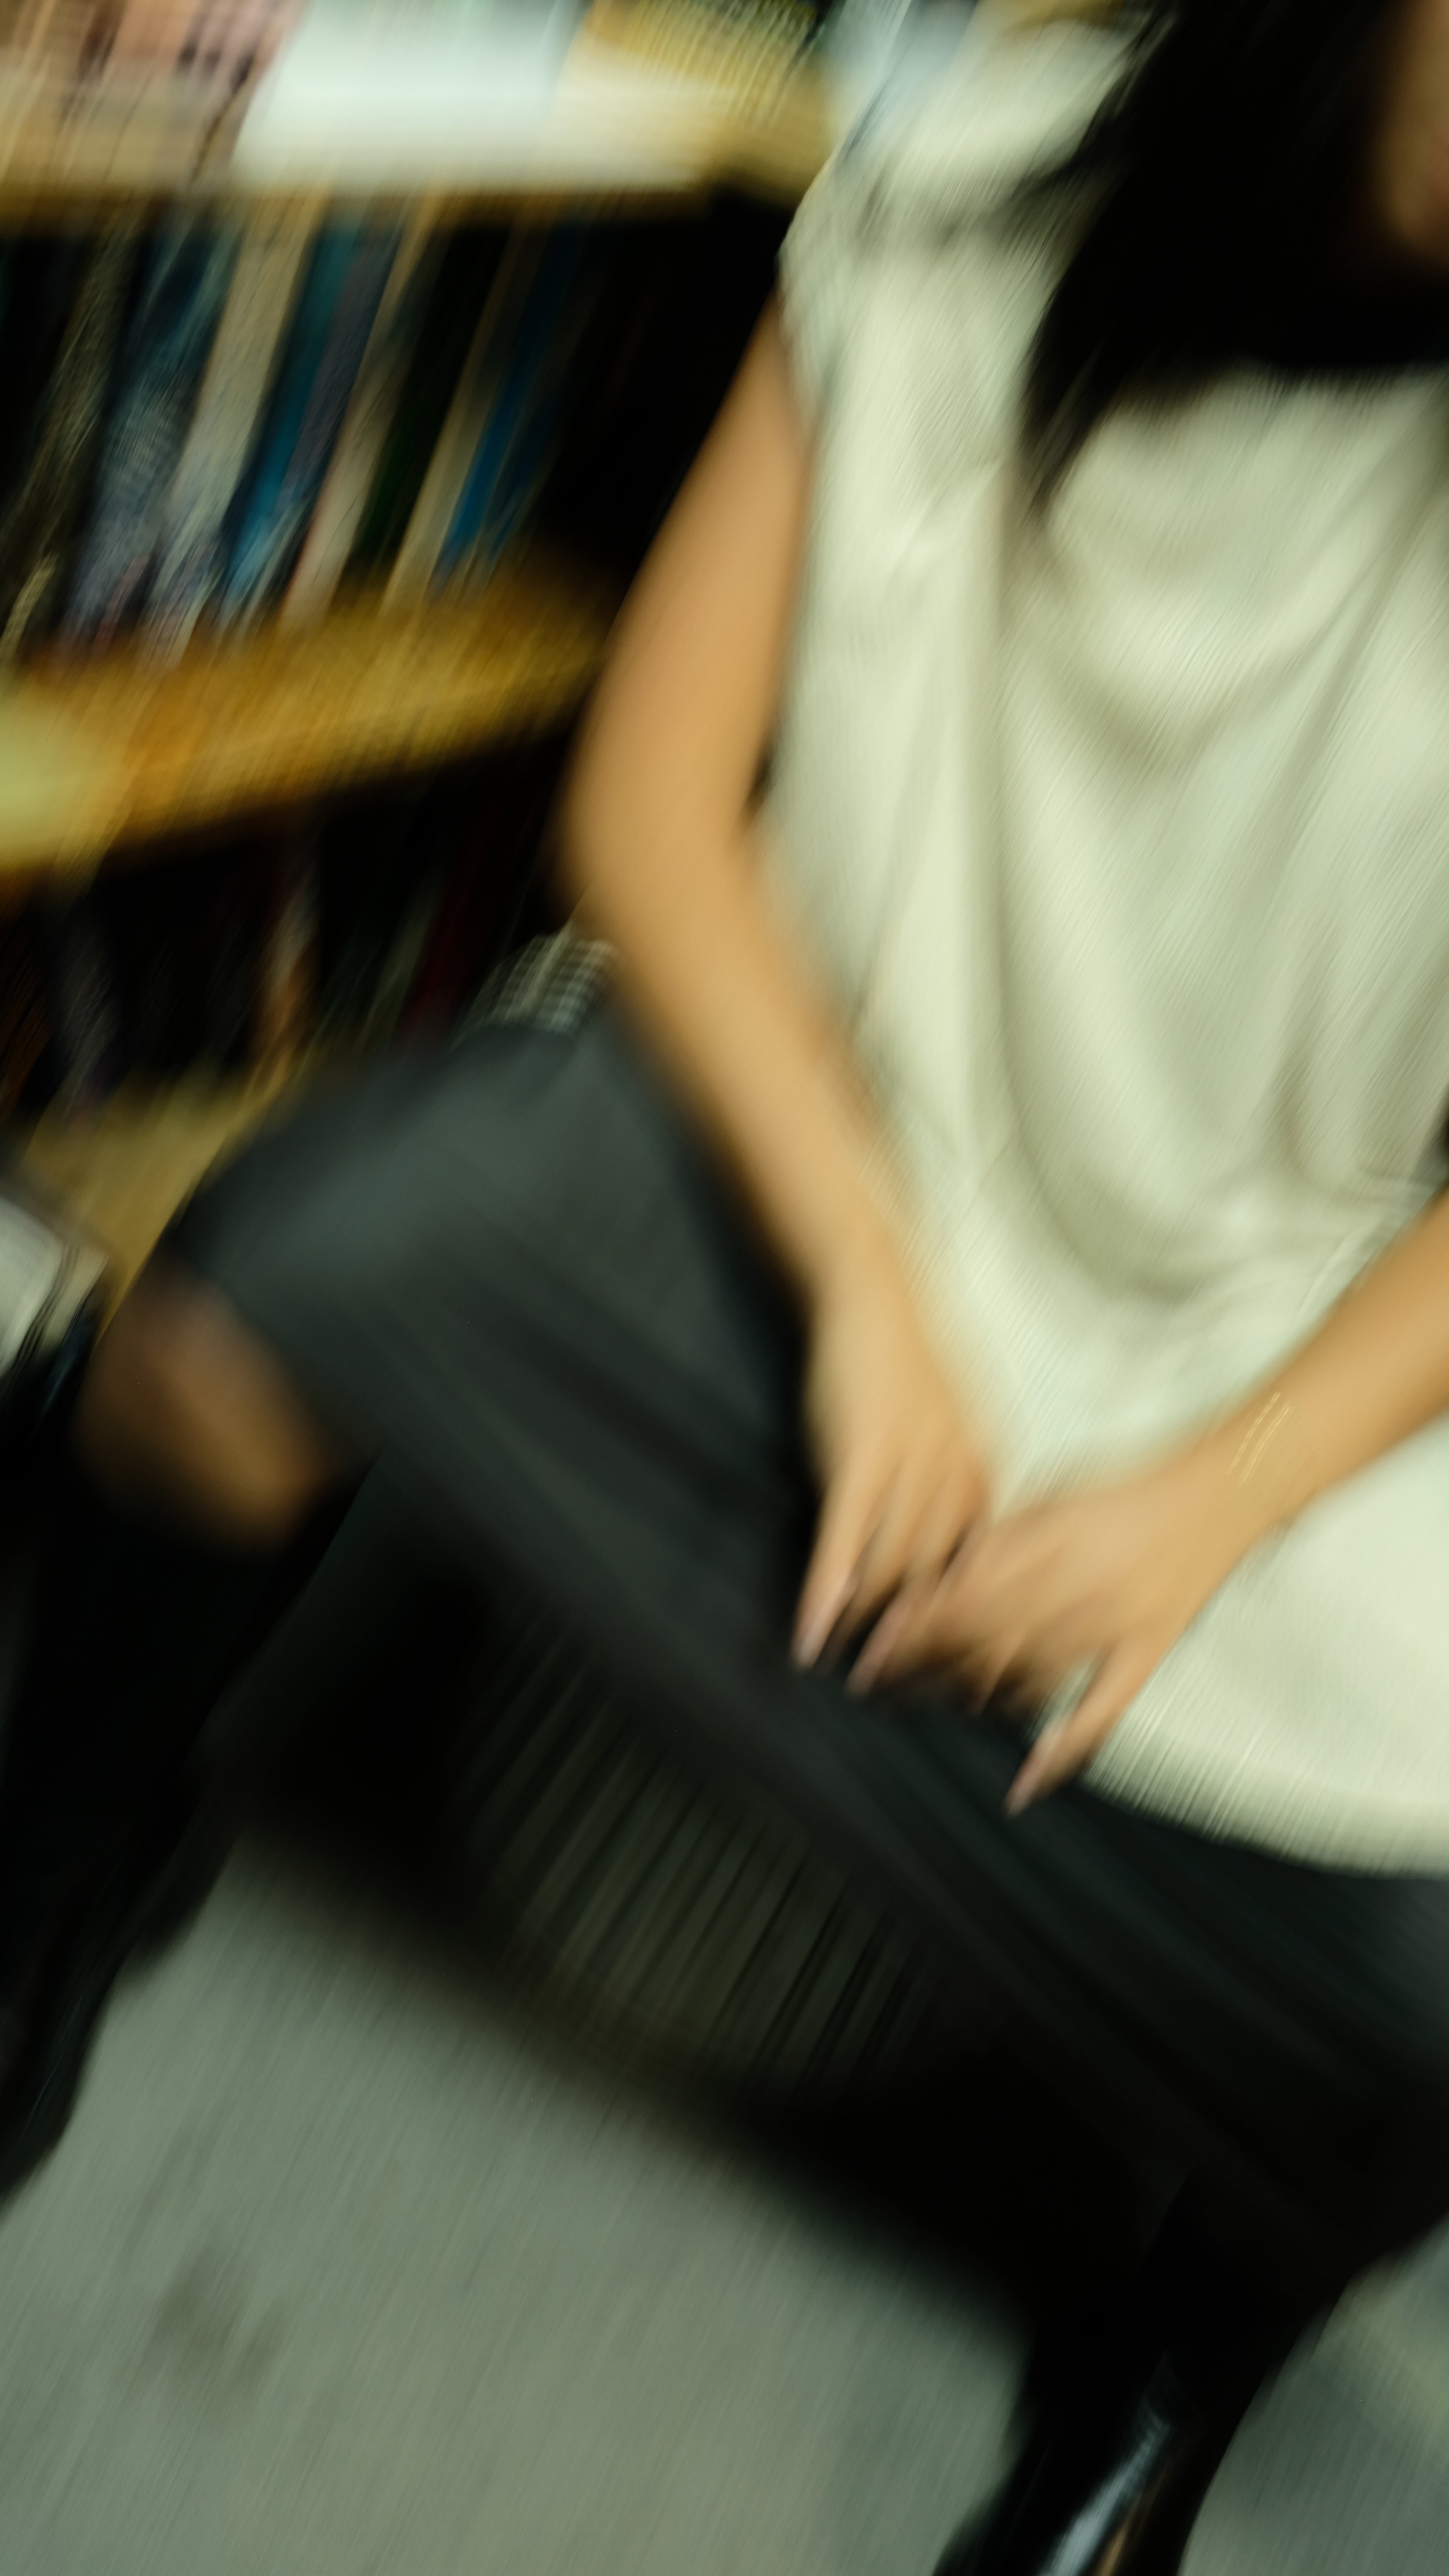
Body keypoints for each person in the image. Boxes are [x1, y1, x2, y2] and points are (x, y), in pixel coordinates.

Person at [8, 0, 1449, 2564]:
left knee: (1423, 2021)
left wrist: (1210, 1495)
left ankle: (1176, 2347)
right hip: (848, 1129)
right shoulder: (962, 186)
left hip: (1300, 1351)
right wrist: (868, 1285)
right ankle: (68, 1846)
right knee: (268, 1277)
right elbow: (650, 805)